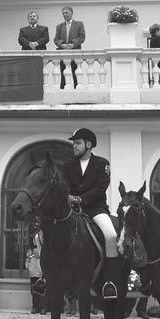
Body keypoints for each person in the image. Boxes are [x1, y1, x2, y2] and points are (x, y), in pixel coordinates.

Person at [63, 128, 119, 300]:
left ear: (88, 144)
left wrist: (81, 199)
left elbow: (100, 188)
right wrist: (68, 197)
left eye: (78, 143)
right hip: (71, 211)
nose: (74, 146)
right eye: (74, 143)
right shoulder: (67, 165)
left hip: (95, 210)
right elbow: (64, 187)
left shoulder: (102, 164)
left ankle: (109, 282)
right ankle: (47, 277)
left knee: (110, 235)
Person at [54, 7, 85, 89]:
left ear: (71, 13)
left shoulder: (79, 24)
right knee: (63, 74)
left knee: (76, 74)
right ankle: (62, 91)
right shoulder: (59, 26)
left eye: (66, 12)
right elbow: (56, 39)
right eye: (63, 13)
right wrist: (62, 45)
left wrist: (73, 44)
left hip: (75, 51)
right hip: (63, 52)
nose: (64, 14)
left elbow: (82, 37)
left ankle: (77, 90)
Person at [26, 229, 46, 314]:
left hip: (41, 271)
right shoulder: (30, 250)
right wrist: (28, 266)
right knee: (33, 290)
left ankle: (43, 307)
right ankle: (35, 306)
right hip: (33, 272)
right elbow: (27, 260)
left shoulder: (44, 249)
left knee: (42, 289)